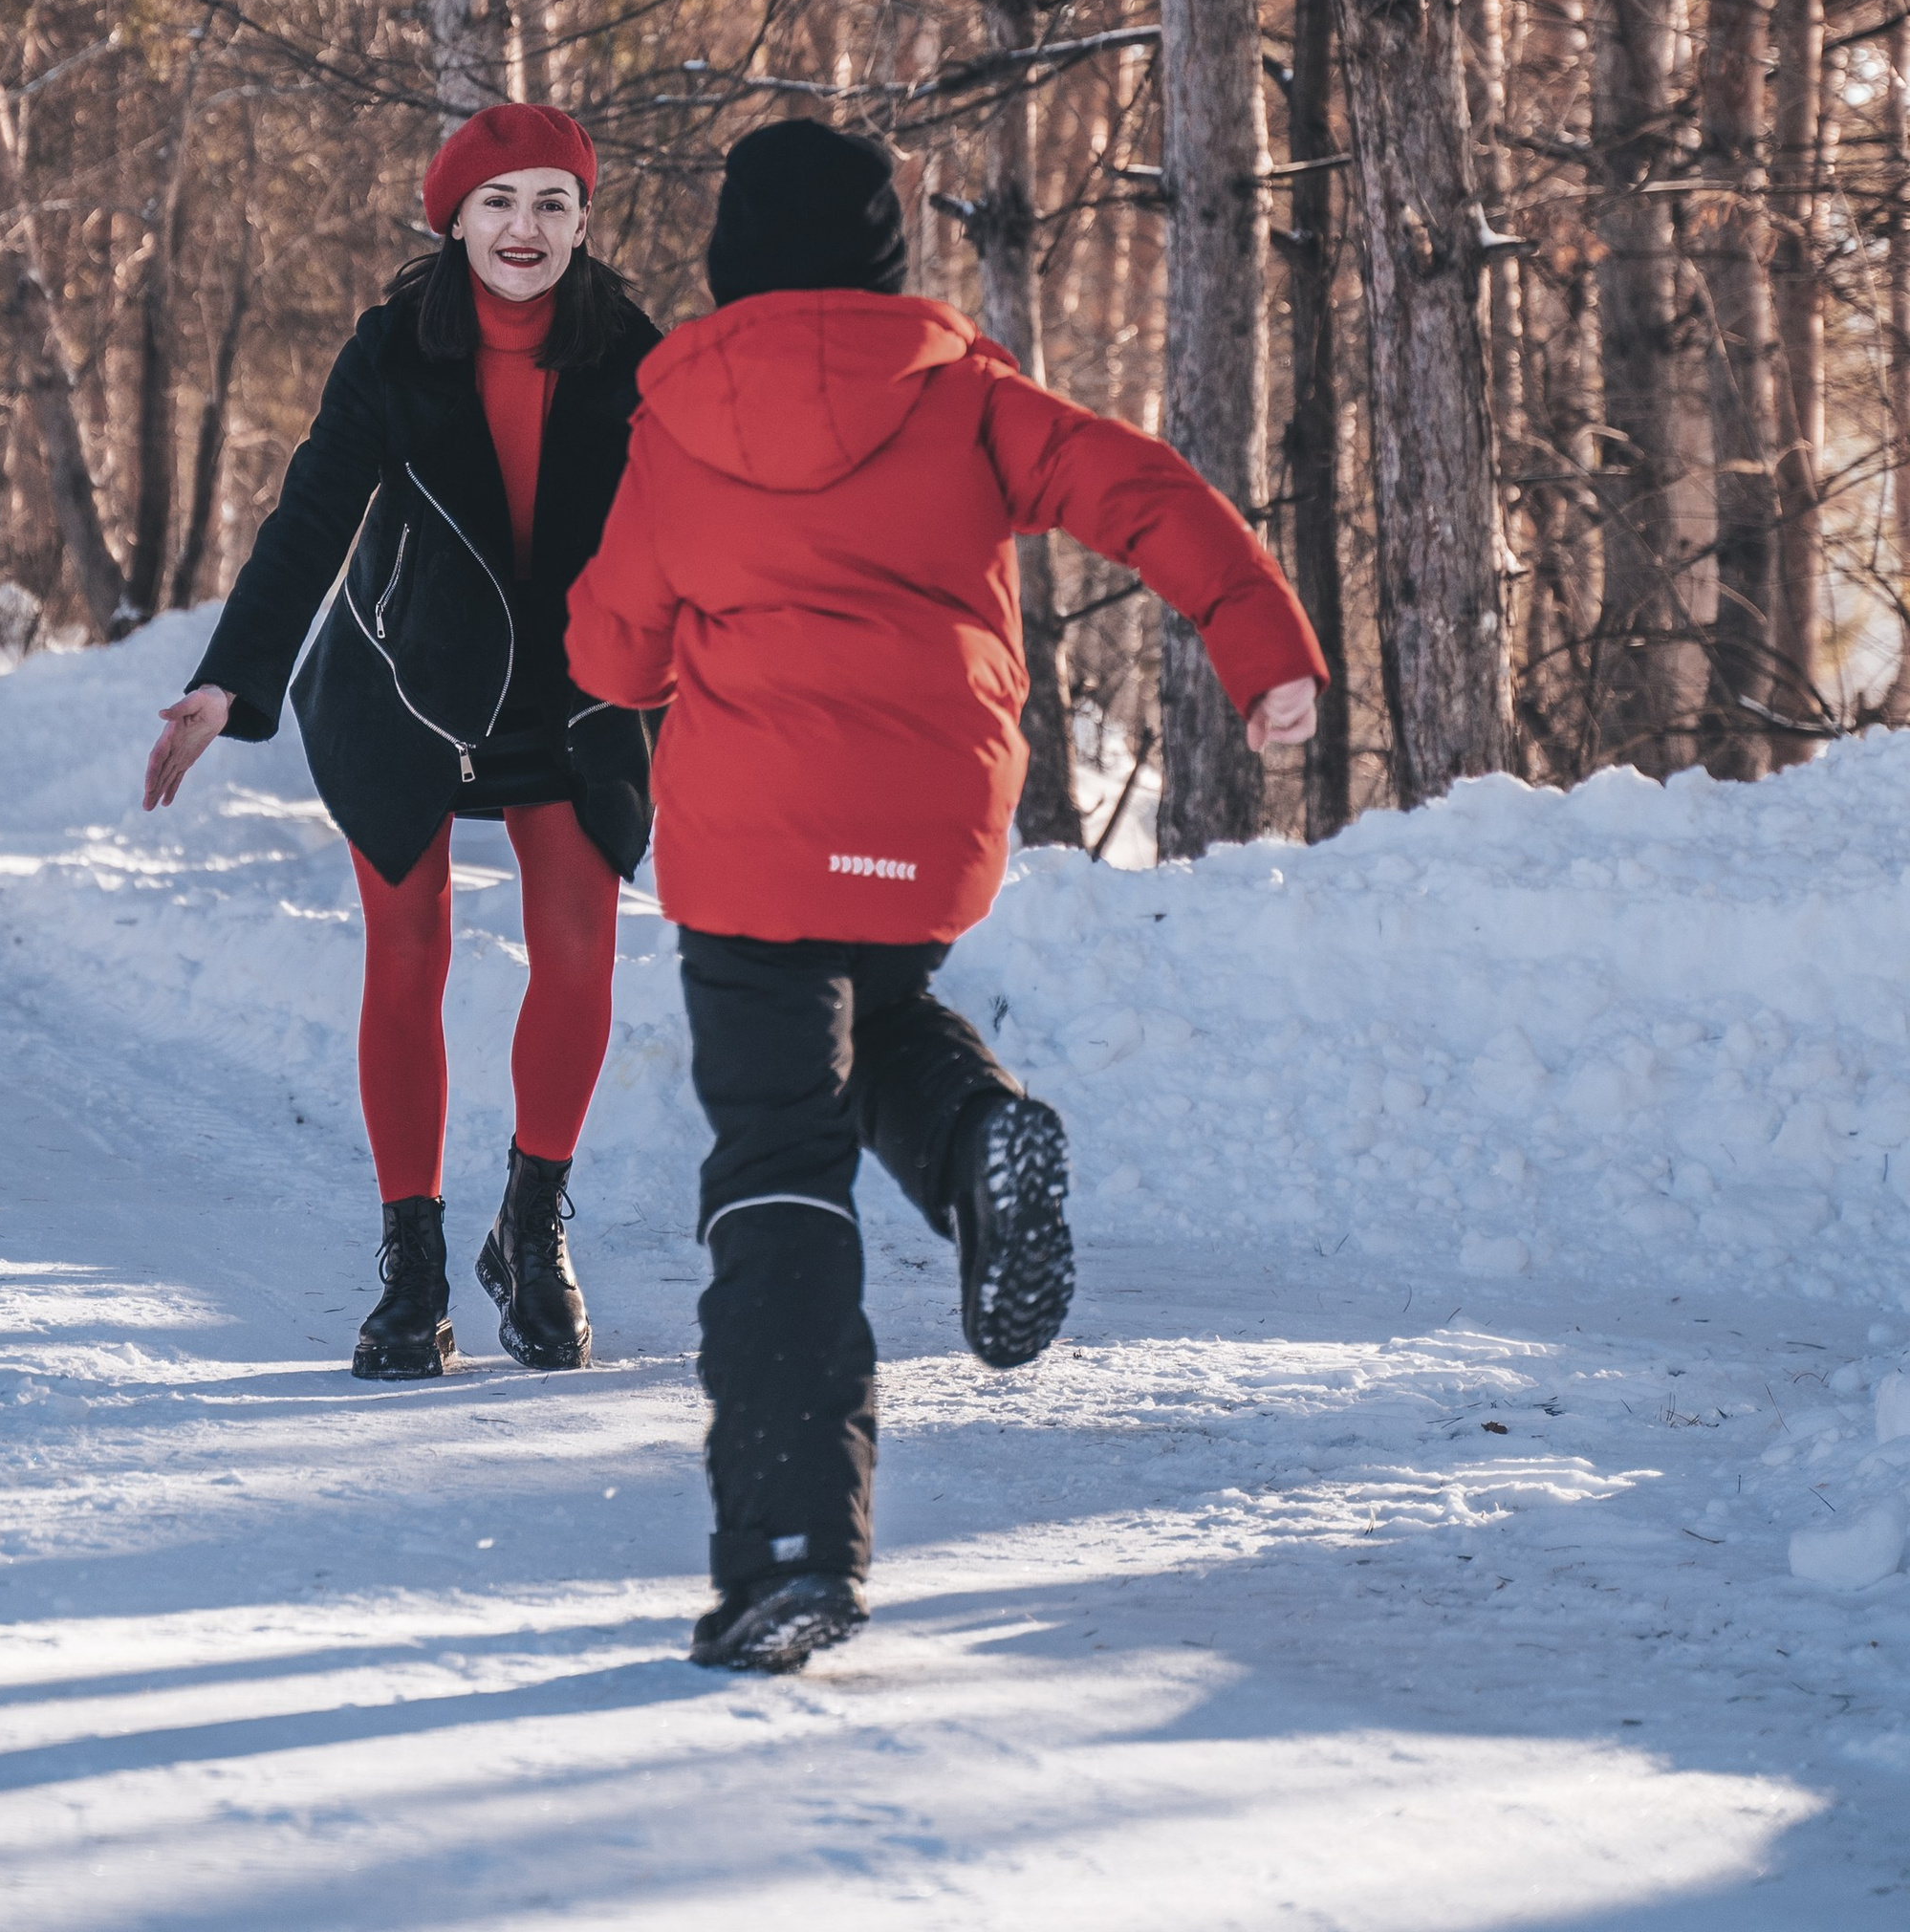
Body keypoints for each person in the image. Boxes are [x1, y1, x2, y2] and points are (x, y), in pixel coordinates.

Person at [564, 118, 1324, 1675]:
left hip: (752, 840)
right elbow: (1149, 491)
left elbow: (610, 648)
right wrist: (1265, 650)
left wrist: (644, 653)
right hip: (923, 827)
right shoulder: (968, 392)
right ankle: (977, 1136)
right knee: (886, 1004)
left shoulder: (674, 416)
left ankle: (789, 1552)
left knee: (778, 1159)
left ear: (729, 260)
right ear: (887, 256)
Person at [143, 101, 662, 1383]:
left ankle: (531, 1230)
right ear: (454, 219)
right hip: (408, 682)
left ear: (584, 221)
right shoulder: (393, 350)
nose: (525, 228)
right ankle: (412, 1261)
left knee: (584, 958)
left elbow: (699, 523)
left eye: (551, 203)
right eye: (498, 203)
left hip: (571, 690)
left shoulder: (634, 352)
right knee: (408, 951)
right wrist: (228, 683)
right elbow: (311, 516)